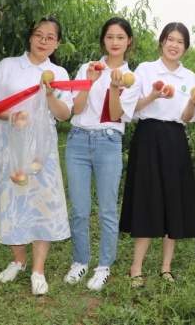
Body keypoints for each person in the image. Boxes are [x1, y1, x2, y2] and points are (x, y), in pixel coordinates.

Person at [0, 16, 72, 295]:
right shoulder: (8, 66)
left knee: (42, 201)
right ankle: (18, 260)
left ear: (57, 43)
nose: (43, 41)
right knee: (11, 199)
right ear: (30, 37)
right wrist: (13, 116)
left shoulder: (59, 73)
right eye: (39, 35)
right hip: (11, 141)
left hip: (42, 146)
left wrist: (52, 95)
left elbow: (64, 114)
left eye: (50, 37)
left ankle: (38, 271)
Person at [119, 22, 195, 287]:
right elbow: (130, 109)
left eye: (180, 41)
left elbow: (187, 118)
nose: (174, 45)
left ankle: (166, 267)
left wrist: (191, 102)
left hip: (175, 139)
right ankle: (136, 268)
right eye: (169, 39)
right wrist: (153, 95)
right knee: (147, 198)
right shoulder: (145, 69)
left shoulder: (189, 77)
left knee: (172, 201)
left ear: (185, 47)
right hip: (148, 137)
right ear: (161, 42)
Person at [63, 17, 140, 291]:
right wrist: (88, 81)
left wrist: (114, 87)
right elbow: (76, 109)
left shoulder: (133, 78)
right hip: (78, 141)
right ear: (103, 40)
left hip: (108, 142)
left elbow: (117, 115)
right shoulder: (87, 68)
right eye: (110, 37)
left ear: (128, 41)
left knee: (107, 208)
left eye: (120, 37)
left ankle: (104, 265)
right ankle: (80, 261)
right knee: (79, 208)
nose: (115, 42)